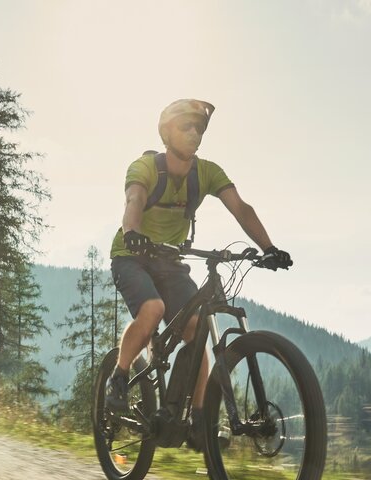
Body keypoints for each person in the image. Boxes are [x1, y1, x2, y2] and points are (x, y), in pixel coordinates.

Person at [105, 99, 292, 449]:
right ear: (166, 133)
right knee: (153, 309)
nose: (194, 133)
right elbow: (134, 199)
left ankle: (198, 422)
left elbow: (241, 208)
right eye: (186, 126)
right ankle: (119, 376)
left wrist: (268, 247)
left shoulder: (206, 172)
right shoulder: (145, 166)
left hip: (170, 260)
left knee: (196, 328)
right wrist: (133, 232)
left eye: (199, 128)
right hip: (131, 255)